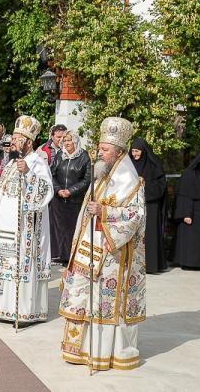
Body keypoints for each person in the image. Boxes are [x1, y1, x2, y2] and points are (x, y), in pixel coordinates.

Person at [59, 117, 146, 371]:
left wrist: (105, 213)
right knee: (82, 297)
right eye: (99, 147)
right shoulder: (102, 173)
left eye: (104, 149)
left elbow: (135, 216)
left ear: (118, 151)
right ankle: (81, 350)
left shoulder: (130, 180)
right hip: (88, 248)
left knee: (103, 303)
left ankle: (106, 355)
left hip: (111, 253)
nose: (99, 152)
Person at [0, 116, 53, 325]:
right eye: (12, 138)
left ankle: (23, 311)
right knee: (4, 263)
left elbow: (46, 191)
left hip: (24, 230)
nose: (12, 142)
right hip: (4, 228)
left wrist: (30, 175)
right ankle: (1, 307)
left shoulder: (37, 163)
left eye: (17, 138)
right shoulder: (13, 163)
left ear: (29, 142)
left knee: (19, 263)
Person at [49, 131, 91, 264]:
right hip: (59, 199)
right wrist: (58, 190)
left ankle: (72, 256)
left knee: (73, 228)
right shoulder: (60, 155)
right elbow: (52, 175)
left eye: (69, 140)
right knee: (59, 228)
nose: (67, 143)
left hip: (75, 199)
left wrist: (71, 191)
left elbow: (87, 179)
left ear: (75, 141)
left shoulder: (84, 156)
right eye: (65, 140)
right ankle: (60, 255)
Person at [129, 138, 168, 273]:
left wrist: (145, 185)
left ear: (144, 151)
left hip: (150, 205)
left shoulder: (154, 165)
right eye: (133, 151)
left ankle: (151, 265)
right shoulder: (128, 165)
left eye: (137, 151)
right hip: (132, 205)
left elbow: (161, 186)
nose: (135, 154)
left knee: (150, 234)